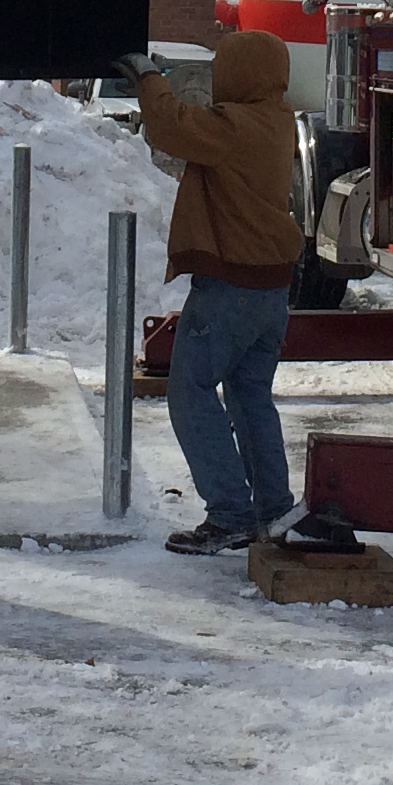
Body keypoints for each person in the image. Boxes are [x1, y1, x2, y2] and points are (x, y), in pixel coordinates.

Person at [124, 31, 301, 554]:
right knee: (250, 397)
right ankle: (273, 509)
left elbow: (171, 128)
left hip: (232, 288)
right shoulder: (277, 120)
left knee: (191, 391)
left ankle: (228, 515)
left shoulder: (235, 127)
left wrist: (146, 75)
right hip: (271, 290)